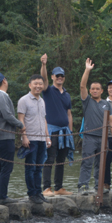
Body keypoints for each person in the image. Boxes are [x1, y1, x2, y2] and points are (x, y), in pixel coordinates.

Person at [78, 59, 112, 195]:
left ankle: (98, 186)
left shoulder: (106, 104)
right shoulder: (87, 101)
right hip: (89, 137)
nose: (95, 91)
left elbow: (111, 121)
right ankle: (83, 186)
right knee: (87, 162)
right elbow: (82, 86)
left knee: (101, 164)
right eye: (92, 89)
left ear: (101, 91)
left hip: (104, 137)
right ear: (90, 91)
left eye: (97, 89)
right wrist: (87, 70)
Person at [40, 54, 74, 197]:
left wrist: (70, 132)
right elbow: (44, 79)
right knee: (49, 159)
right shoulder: (48, 91)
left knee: (61, 160)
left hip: (64, 132)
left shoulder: (66, 94)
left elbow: (69, 114)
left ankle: (59, 187)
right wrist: (44, 65)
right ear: (53, 77)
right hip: (52, 130)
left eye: (62, 76)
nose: (60, 78)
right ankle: (46, 188)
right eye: (57, 76)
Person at [0, 73, 24, 204]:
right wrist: (20, 125)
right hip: (4, 137)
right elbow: (7, 115)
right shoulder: (2, 97)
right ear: (4, 81)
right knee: (6, 168)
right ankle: (2, 196)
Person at [17, 75, 52, 204]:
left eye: (40, 84)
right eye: (35, 83)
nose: (38, 86)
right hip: (30, 139)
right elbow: (21, 119)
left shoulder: (42, 101)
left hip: (42, 138)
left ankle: (38, 192)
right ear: (30, 85)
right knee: (30, 167)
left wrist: (47, 136)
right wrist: (24, 136)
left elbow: (44, 120)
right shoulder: (23, 100)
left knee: (39, 167)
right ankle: (32, 193)